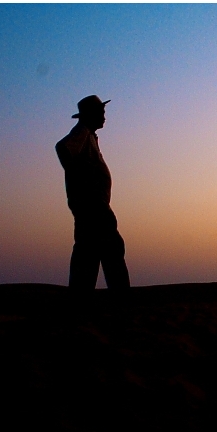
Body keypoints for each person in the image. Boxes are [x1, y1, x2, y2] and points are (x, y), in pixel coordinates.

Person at [56, 95, 131, 290]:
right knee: (111, 248)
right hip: (93, 207)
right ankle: (120, 300)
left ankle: (82, 299)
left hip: (92, 206)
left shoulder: (88, 135)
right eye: (101, 112)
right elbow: (62, 148)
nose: (104, 116)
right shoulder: (81, 131)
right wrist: (82, 183)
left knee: (89, 252)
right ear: (91, 114)